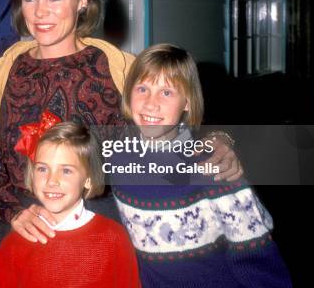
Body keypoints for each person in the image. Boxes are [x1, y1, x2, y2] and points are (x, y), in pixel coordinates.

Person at [0, 0, 242, 285]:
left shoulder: (118, 70)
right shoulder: (2, 75)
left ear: (83, 1)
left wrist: (219, 140)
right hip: (28, 227)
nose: (40, 12)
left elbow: (169, 130)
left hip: (101, 227)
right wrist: (15, 212)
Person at [111, 43, 291, 287]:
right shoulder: (119, 158)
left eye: (167, 92)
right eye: (142, 88)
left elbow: (256, 253)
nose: (151, 103)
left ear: (187, 102)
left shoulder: (213, 165)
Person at [0, 120, 141, 287]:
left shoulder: (114, 238)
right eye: (42, 169)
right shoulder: (14, 244)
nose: (52, 181)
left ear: (88, 179)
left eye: (66, 170)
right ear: (32, 175)